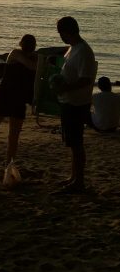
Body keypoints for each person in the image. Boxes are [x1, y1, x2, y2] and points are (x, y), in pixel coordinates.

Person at [50, 16, 96, 194]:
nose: (60, 36)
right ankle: (73, 176)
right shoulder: (73, 49)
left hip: (77, 103)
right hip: (69, 101)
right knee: (72, 143)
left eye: (60, 33)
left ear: (67, 32)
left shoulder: (83, 51)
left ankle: (79, 181)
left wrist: (66, 87)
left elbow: (86, 79)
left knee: (76, 143)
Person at [0, 34, 38, 164]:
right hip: (4, 96)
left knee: (13, 137)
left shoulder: (31, 59)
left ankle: (9, 165)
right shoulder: (15, 54)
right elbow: (31, 66)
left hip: (18, 100)